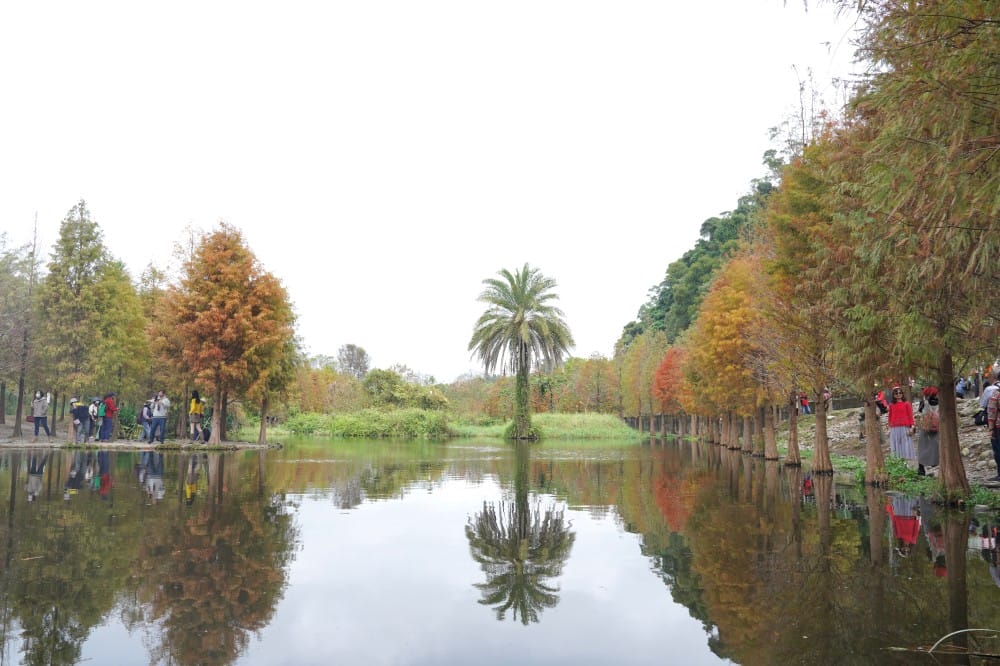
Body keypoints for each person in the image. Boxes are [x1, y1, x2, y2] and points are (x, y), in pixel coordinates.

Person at [887, 385, 916, 462]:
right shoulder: (891, 405)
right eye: (896, 393)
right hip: (894, 429)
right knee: (896, 445)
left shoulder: (906, 404)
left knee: (905, 444)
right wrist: (889, 428)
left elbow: (910, 416)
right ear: (893, 395)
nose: (898, 394)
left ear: (902, 394)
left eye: (900, 393)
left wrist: (912, 427)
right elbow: (890, 417)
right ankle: (899, 463)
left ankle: (906, 463)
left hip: (905, 428)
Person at [916, 386, 940, 476]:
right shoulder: (940, 402)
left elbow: (919, 414)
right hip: (938, 428)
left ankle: (921, 468)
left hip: (925, 428)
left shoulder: (923, 403)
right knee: (936, 447)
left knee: (922, 447)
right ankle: (936, 463)